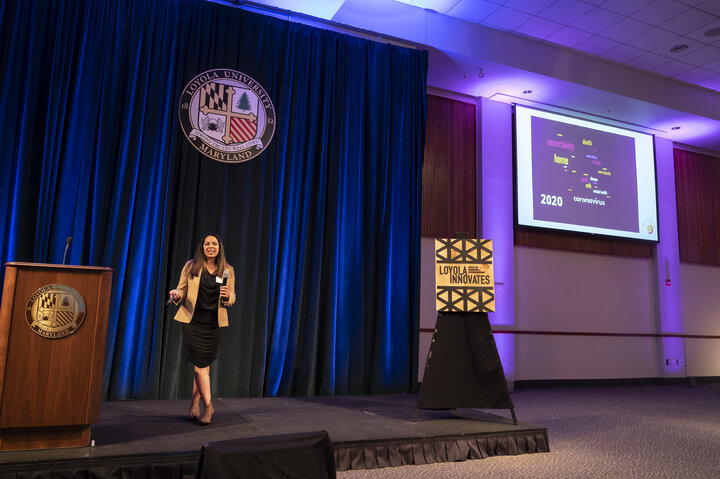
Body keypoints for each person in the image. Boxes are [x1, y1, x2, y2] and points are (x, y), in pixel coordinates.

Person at [168, 234, 235, 425]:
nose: (211, 246)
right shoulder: (191, 266)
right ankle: (209, 406)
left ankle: (194, 404)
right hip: (192, 322)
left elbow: (232, 297)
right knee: (200, 367)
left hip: (213, 324)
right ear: (202, 247)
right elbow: (181, 289)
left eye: (214, 244)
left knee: (202, 366)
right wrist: (176, 294)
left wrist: (229, 295)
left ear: (219, 248)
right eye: (207, 243)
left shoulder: (227, 270)